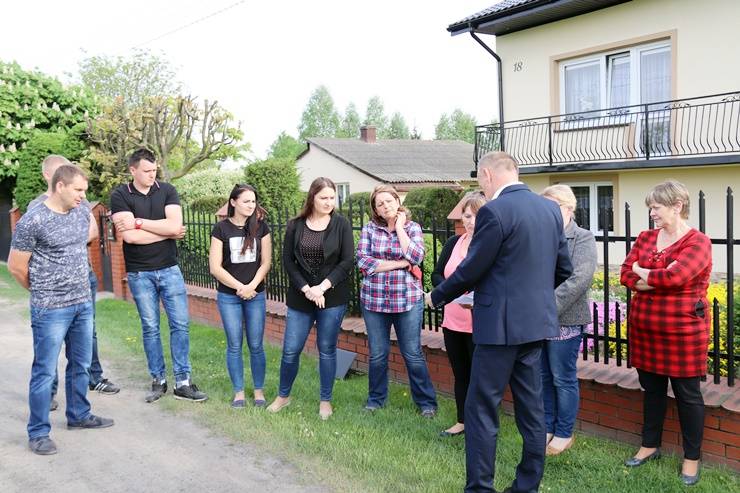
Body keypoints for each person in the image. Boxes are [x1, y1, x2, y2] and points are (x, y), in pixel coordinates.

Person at [426, 151, 572, 493]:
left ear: (488, 174)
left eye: (480, 180)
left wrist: (436, 296)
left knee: (481, 408)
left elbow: (472, 269)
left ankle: (480, 488)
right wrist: (531, 297)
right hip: (535, 324)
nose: (483, 187)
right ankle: (527, 486)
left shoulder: (494, 211)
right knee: (532, 409)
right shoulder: (550, 209)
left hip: (498, 328)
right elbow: (563, 268)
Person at [9, 164, 115, 456]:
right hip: (51, 308)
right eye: (78, 190)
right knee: (45, 370)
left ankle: (79, 414)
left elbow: (83, 242)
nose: (84, 196)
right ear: (60, 186)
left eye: (85, 190)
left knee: (80, 364)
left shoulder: (80, 212)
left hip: (82, 303)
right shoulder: (33, 220)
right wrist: (42, 290)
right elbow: (17, 267)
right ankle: (38, 432)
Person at [620, 180, 711, 486]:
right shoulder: (646, 237)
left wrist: (643, 272)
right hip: (645, 327)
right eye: (650, 207)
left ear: (677, 206)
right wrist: (651, 276)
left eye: (656, 207)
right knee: (652, 390)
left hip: (683, 330)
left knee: (688, 395)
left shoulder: (698, 242)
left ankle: (691, 458)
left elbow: (676, 277)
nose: (652, 213)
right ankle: (649, 445)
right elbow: (625, 274)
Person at [110, 148, 207, 403]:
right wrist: (166, 231)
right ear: (133, 170)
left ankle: (183, 382)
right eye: (146, 171)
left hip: (169, 269)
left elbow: (173, 226)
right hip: (139, 273)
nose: (152, 175)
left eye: (154, 170)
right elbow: (130, 238)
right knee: (151, 327)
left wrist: (139, 222)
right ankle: (158, 380)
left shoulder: (167, 190)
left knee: (180, 325)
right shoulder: (120, 195)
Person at [28, 155, 120, 413]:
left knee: (86, 337)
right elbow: (19, 262)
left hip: (83, 280)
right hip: (51, 292)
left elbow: (93, 231)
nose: (70, 178)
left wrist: (67, 239)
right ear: (50, 177)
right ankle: (48, 395)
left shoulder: (81, 202)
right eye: (63, 173)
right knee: (50, 345)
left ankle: (91, 383)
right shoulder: (36, 207)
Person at [267, 177, 354, 420]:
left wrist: (322, 288)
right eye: (323, 197)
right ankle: (283, 396)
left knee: (326, 349)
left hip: (332, 297)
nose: (328, 202)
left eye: (332, 197)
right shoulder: (295, 225)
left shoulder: (341, 224)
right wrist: (307, 289)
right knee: (290, 350)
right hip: (300, 297)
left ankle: (325, 401)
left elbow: (347, 261)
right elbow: (288, 261)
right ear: (312, 198)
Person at [357, 185, 437, 417]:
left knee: (412, 353)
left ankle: (426, 403)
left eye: (389, 201)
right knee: (378, 354)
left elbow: (416, 257)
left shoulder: (412, 228)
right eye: (380, 204)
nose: (385, 206)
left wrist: (400, 228)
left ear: (397, 201)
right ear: (375, 210)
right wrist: (401, 263)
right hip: (374, 301)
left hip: (407, 300)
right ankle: (376, 400)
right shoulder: (370, 229)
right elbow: (364, 262)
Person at [539, 184, 597, 456]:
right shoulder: (540, 236)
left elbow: (579, 279)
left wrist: (545, 305)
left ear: (569, 208)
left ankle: (564, 432)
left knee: (562, 377)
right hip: (538, 317)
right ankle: (546, 427)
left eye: (552, 206)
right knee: (543, 376)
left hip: (566, 318)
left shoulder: (583, 238)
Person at [209, 184, 271, 408]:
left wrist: (252, 286)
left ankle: (259, 391)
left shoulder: (261, 228)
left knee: (256, 345)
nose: (251, 205)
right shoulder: (221, 229)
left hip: (256, 294)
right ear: (233, 202)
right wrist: (240, 288)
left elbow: (266, 262)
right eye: (246, 201)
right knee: (234, 345)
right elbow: (215, 267)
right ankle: (239, 393)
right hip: (229, 296)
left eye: (253, 201)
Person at [431, 191, 487, 437]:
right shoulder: (454, 242)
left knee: (481, 377)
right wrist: (450, 289)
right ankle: (462, 420)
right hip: (453, 320)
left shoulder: (490, 245)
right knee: (461, 373)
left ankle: (481, 424)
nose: (471, 221)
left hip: (479, 322)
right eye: (467, 216)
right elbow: (436, 274)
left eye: (477, 215)